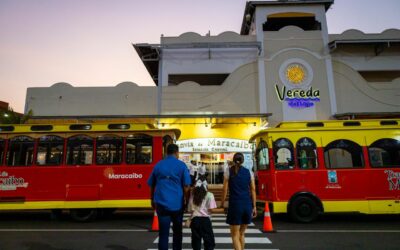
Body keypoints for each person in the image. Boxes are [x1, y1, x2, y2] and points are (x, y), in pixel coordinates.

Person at [147, 143, 191, 250]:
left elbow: (152, 184)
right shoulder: (181, 166)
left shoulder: (158, 165)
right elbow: (186, 186)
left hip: (161, 203)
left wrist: (152, 199)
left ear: (166, 152)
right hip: (177, 204)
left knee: (163, 234)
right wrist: (187, 200)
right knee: (177, 233)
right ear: (177, 152)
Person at [220, 153, 257, 250]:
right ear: (243, 160)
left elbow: (224, 189)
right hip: (247, 205)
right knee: (241, 233)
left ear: (233, 159)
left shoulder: (229, 171)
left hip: (235, 205)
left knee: (235, 235)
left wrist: (222, 203)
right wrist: (254, 206)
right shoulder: (249, 172)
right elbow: (253, 189)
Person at [188, 178, 222, 250]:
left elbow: (190, 209)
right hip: (205, 221)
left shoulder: (193, 195)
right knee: (209, 242)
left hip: (195, 220)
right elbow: (211, 209)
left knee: (196, 242)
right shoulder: (210, 195)